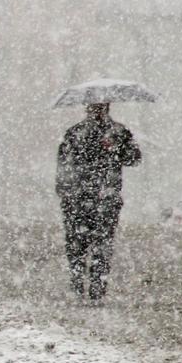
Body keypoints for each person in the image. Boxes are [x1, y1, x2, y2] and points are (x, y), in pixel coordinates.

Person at [56, 102, 142, 301]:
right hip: (77, 199)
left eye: (100, 107)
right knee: (76, 244)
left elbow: (134, 158)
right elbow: (63, 163)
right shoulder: (75, 133)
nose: (96, 111)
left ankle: (97, 288)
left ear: (107, 108)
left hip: (106, 198)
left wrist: (116, 147)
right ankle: (77, 284)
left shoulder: (119, 132)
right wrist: (65, 192)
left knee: (102, 245)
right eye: (93, 107)